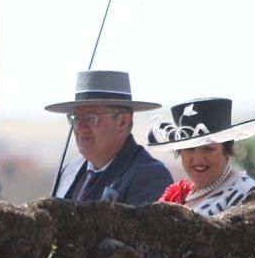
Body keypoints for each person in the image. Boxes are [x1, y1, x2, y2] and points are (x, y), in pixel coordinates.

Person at [47, 70, 172, 204]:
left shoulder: (149, 176)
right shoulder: (68, 171)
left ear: (123, 122)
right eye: (76, 118)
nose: (81, 126)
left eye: (91, 118)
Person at [146, 97, 255, 216]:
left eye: (208, 148)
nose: (198, 158)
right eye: (189, 149)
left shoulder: (245, 194)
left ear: (227, 150)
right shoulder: (183, 195)